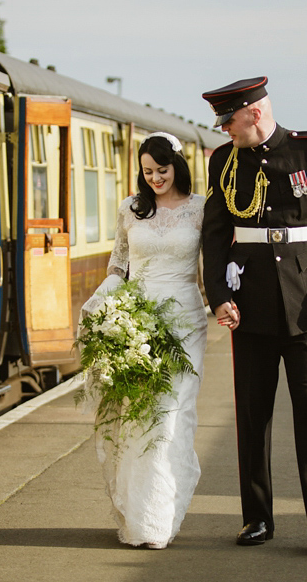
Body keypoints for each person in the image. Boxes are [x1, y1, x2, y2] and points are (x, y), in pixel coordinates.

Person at [200, 77, 307, 548]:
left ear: (254, 113)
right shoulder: (223, 162)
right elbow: (214, 235)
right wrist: (218, 296)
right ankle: (257, 518)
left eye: (229, 121)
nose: (225, 130)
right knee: (252, 415)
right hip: (248, 307)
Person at [80, 132, 207, 549]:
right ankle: (142, 520)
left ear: (178, 166)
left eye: (162, 170)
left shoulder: (200, 209)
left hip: (185, 320)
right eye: (147, 171)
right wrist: (101, 302)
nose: (154, 178)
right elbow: (120, 265)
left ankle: (161, 517)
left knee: (171, 417)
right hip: (139, 318)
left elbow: (213, 267)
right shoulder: (130, 210)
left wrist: (227, 303)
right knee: (138, 418)